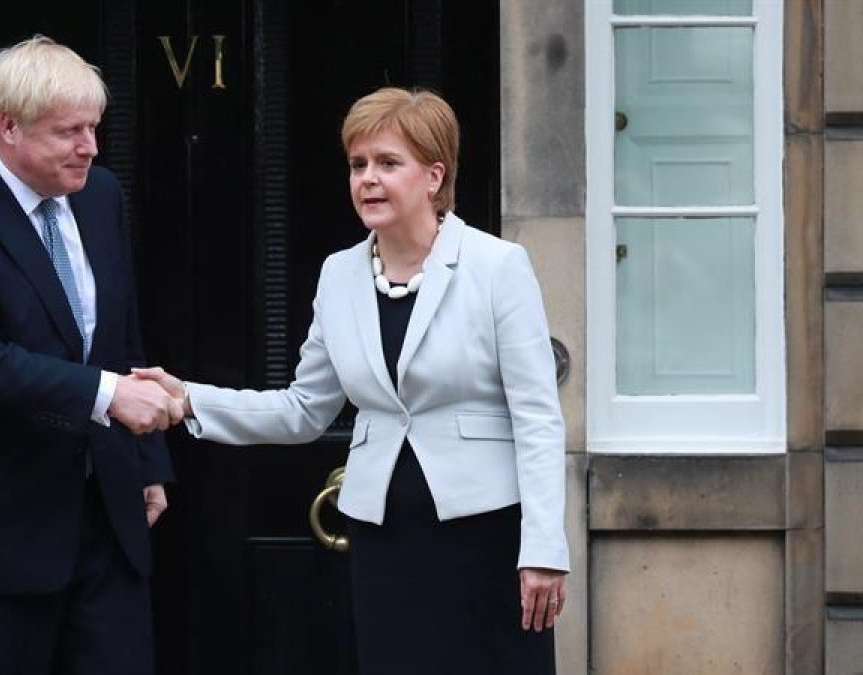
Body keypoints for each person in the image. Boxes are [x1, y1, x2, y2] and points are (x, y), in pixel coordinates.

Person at [135, 87, 568, 674]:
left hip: (485, 537)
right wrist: (189, 400)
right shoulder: (339, 274)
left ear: (434, 176)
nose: (368, 179)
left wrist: (544, 549)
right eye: (358, 164)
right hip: (383, 537)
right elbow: (304, 409)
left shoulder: (496, 266)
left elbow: (537, 417)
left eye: (388, 163)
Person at [0, 36, 179, 675]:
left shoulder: (100, 195)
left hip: (105, 519)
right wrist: (110, 396)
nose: (90, 147)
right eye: (69, 131)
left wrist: (145, 461)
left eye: (94, 128)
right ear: (8, 127)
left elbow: (121, 338)